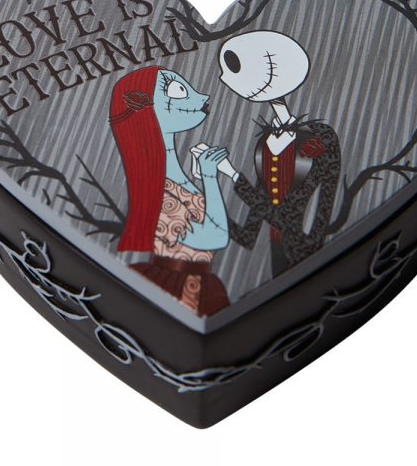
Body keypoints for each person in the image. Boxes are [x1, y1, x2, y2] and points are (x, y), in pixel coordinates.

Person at [218, 30, 341, 276]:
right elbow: (248, 234)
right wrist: (206, 200)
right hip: (276, 255)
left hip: (314, 255)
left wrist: (234, 175)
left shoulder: (321, 137)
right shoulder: (264, 144)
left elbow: (309, 215)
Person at [109, 66, 230, 316]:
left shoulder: (174, 177)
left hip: (200, 284)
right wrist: (209, 177)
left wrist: (203, 176)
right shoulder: (156, 189)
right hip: (179, 289)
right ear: (144, 106)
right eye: (178, 91)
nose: (203, 97)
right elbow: (215, 237)